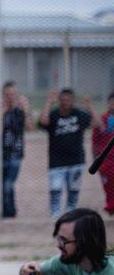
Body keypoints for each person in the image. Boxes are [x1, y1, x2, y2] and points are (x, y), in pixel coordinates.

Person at [40, 89, 92, 218]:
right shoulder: (53, 114)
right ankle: (55, 214)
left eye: (68, 100)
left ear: (73, 101)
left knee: (73, 191)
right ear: (59, 101)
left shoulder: (79, 114)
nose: (65, 102)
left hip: (76, 160)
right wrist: (48, 103)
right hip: (56, 161)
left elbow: (95, 124)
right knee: (55, 190)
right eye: (62, 100)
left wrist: (89, 107)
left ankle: (71, 213)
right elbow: (43, 122)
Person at [19, 208, 112, 275]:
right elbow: (34, 269)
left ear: (85, 243)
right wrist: (26, 268)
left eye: (64, 241)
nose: (58, 245)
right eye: (59, 239)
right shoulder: (68, 262)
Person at [2, 80, 33, 218]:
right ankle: (9, 211)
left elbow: (30, 128)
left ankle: (9, 212)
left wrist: (26, 111)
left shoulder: (20, 111)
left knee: (8, 184)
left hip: (16, 153)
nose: (10, 97)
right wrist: (2, 113)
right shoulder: (1, 112)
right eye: (7, 94)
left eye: (12, 94)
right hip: (1, 154)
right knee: (4, 185)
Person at [91, 91, 114, 215]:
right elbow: (94, 141)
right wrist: (96, 160)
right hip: (106, 161)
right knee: (108, 186)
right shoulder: (101, 119)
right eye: (112, 102)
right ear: (108, 104)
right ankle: (111, 206)